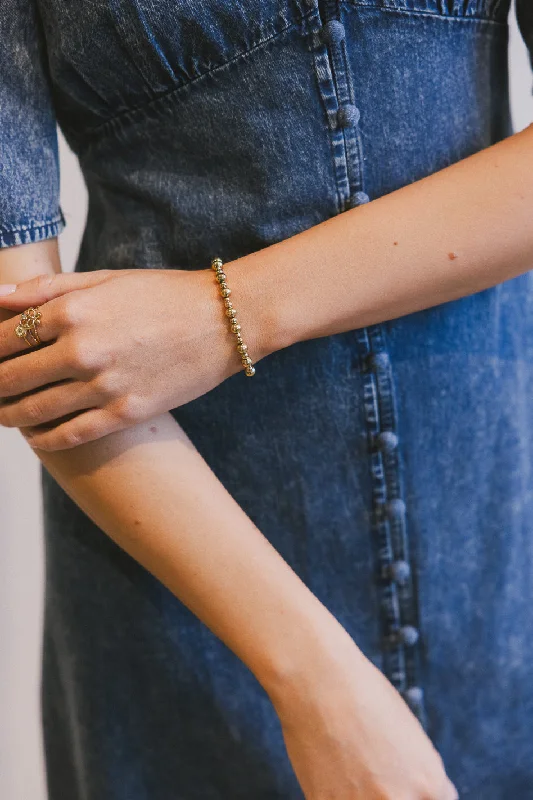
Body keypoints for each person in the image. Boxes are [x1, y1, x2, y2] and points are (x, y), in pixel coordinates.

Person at [1, 0, 532, 797]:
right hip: (189, 572)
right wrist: (314, 685)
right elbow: (27, 346)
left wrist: (229, 312)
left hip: (495, 546)